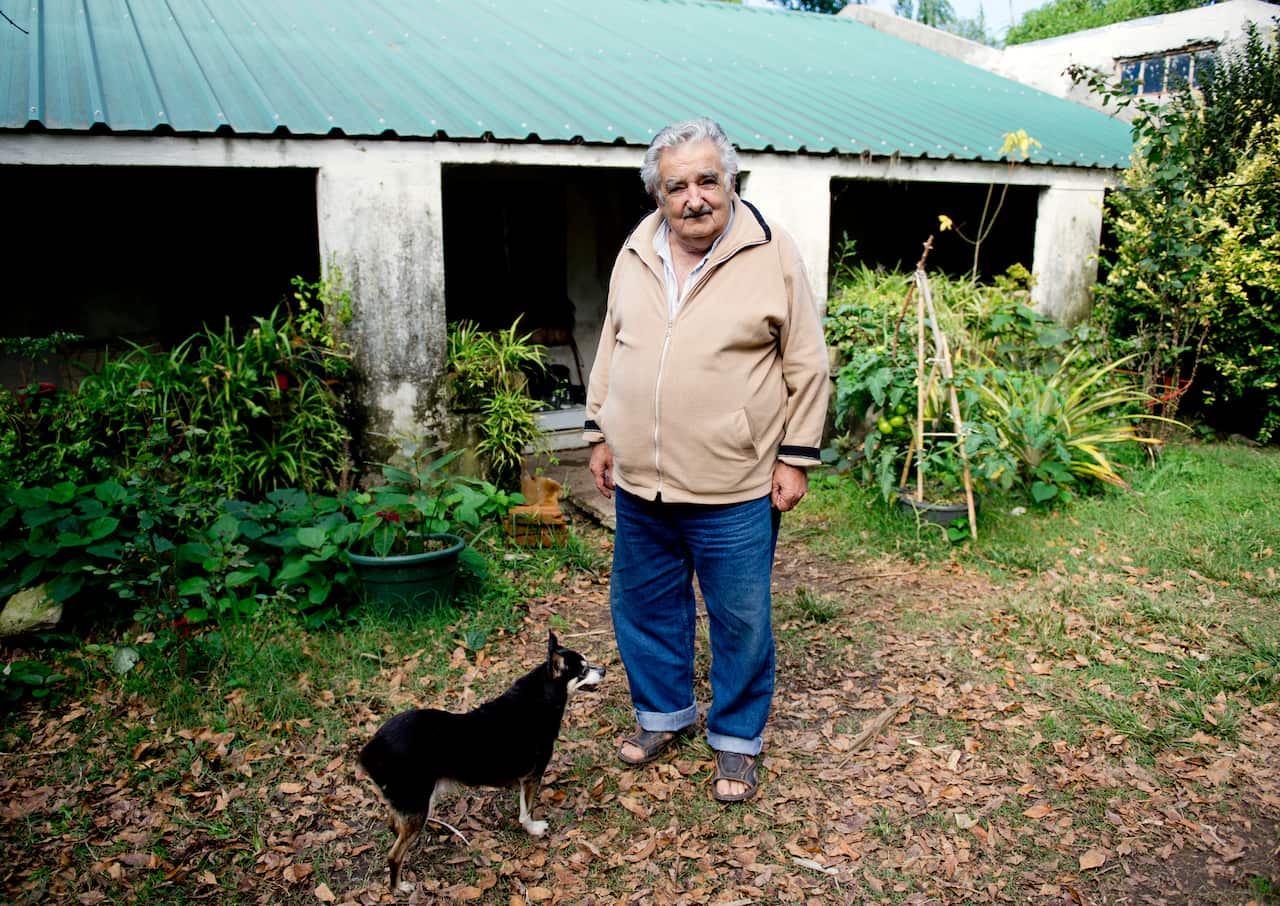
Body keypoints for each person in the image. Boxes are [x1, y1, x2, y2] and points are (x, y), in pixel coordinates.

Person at [582, 117, 830, 802]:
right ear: (659, 196)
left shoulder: (772, 251)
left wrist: (796, 455)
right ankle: (664, 716)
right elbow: (613, 343)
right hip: (642, 481)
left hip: (735, 480)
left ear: (730, 181)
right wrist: (601, 430)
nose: (694, 198)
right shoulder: (636, 249)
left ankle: (737, 741)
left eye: (706, 181)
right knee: (645, 604)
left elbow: (807, 362)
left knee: (740, 617)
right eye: (676, 186)